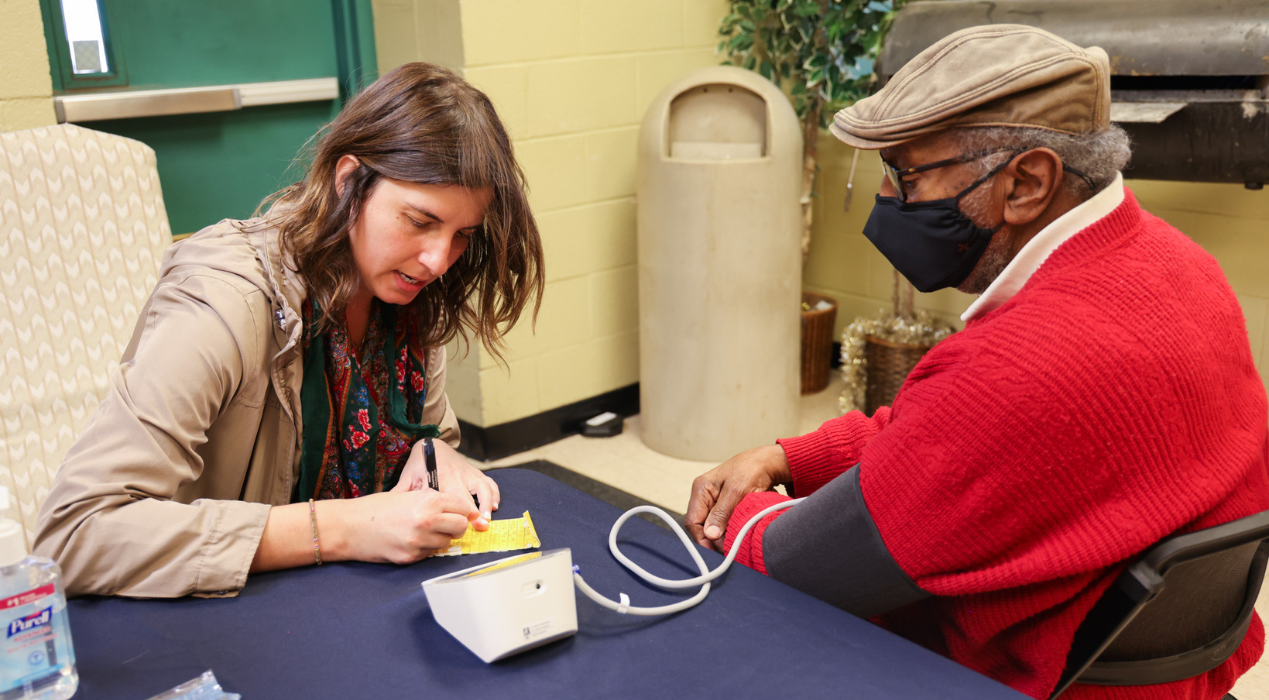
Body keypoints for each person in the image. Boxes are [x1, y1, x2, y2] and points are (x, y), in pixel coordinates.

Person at [685, 25, 1269, 700]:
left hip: (1018, 679)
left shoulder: (1022, 365)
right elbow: (939, 437)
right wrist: (790, 456)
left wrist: (733, 514)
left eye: (903, 174)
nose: (884, 201)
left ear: (1026, 183)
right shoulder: (1178, 264)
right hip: (1167, 670)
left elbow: (797, 566)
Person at [32, 63, 544, 598]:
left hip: (347, 602)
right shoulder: (224, 301)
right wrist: (337, 529)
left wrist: (435, 455)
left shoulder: (409, 291)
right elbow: (71, 537)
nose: (439, 259)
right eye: (418, 222)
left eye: (462, 234)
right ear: (349, 181)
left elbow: (427, 435)